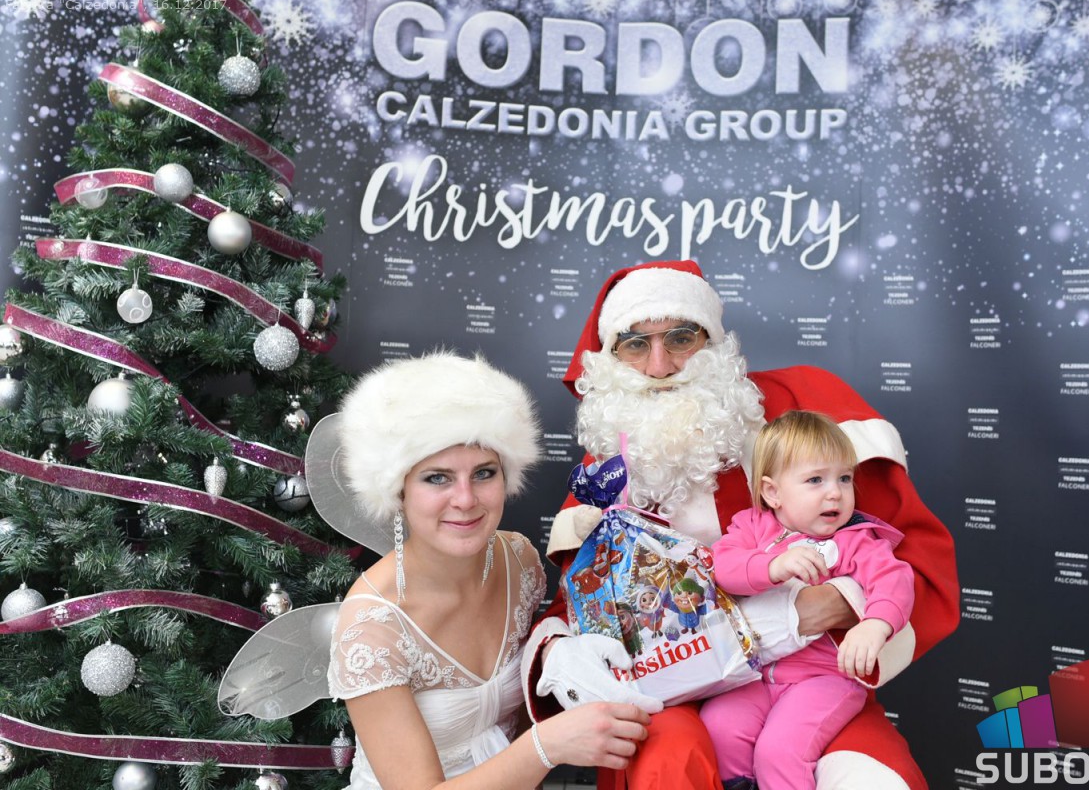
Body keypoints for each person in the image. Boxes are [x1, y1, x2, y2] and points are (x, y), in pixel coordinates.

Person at [520, 261, 959, 790]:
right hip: (672, 693)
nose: (659, 366)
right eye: (634, 344)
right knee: (669, 765)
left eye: (681, 338)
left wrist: (842, 601)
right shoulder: (605, 471)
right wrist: (562, 652)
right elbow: (577, 604)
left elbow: (912, 559)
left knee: (874, 781)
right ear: (610, 358)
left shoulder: (799, 414)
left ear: (713, 340)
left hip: (811, 672)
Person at [326, 353, 650, 789]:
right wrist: (546, 747)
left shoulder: (518, 561)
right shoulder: (371, 625)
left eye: (483, 473)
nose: (465, 499)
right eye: (437, 478)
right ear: (398, 490)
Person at [700, 410, 915, 790]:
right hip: (755, 675)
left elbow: (894, 580)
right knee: (719, 726)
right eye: (815, 479)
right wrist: (771, 566)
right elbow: (722, 566)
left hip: (823, 679)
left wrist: (874, 625)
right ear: (772, 493)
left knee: (779, 751)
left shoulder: (854, 539)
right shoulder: (751, 526)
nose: (835, 492)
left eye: (844, 478)